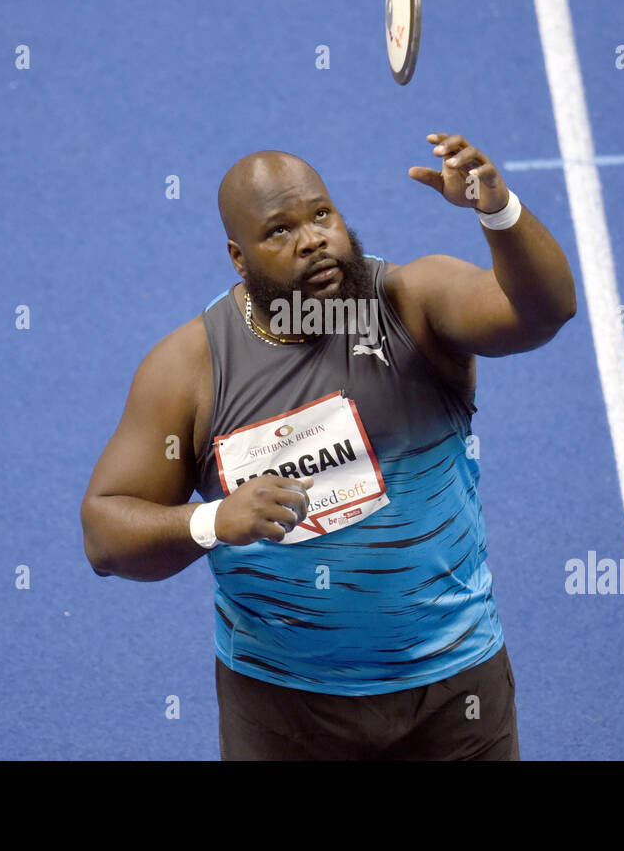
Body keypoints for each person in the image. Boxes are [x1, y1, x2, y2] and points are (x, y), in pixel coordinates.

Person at [81, 132, 577, 760]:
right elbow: (104, 534)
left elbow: (545, 311)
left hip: (453, 686)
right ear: (239, 257)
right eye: (279, 231)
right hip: (283, 706)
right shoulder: (191, 372)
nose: (313, 238)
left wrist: (497, 210)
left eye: (321, 214)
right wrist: (212, 520)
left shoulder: (411, 305)